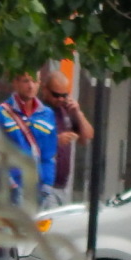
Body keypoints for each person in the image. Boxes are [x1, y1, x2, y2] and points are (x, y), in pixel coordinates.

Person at [0, 71, 58, 208]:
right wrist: (9, 183)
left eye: (34, 81)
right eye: (26, 81)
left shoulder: (47, 114)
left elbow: (49, 155)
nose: (31, 86)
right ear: (15, 83)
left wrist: (47, 185)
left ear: (39, 84)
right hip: (7, 190)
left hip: (37, 191)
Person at [41, 70, 94, 205]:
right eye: (56, 95)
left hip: (62, 186)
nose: (60, 99)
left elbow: (87, 137)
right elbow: (29, 144)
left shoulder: (66, 110)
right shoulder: (38, 111)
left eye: (64, 95)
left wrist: (77, 113)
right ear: (45, 90)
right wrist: (56, 141)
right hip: (44, 184)